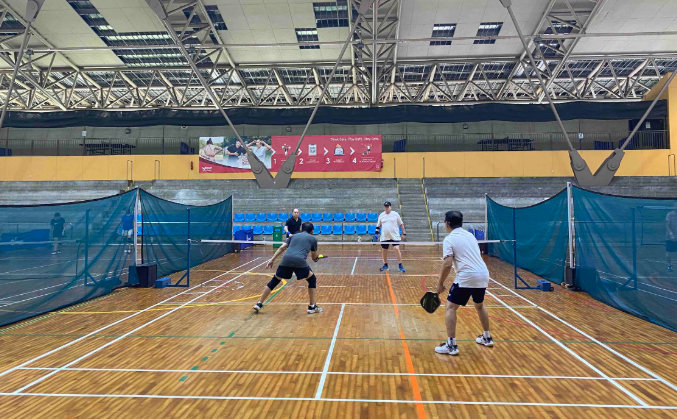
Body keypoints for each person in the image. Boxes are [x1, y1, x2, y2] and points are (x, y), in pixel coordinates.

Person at [435, 211, 493, 356]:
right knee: (479, 305)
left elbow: (447, 264)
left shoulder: (449, 239)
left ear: (447, 223)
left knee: (450, 307)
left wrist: (440, 284)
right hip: (483, 274)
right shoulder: (470, 235)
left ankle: (451, 345)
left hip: (467, 275)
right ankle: (487, 337)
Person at [253, 222, 322, 314]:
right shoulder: (313, 239)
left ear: (301, 229)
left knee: (275, 280)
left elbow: (282, 247)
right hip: (299, 261)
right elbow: (314, 258)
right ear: (312, 231)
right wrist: (316, 259)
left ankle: (259, 303)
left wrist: (272, 260)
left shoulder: (293, 236)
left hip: (286, 259)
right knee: (312, 279)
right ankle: (312, 306)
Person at [375, 201, 406, 272]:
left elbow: (401, 224)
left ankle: (400, 264)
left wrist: (404, 233)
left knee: (396, 248)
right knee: (384, 250)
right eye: (385, 206)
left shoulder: (395, 214)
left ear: (390, 207)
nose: (386, 208)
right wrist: (376, 233)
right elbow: (378, 226)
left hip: (394, 236)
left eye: (388, 206)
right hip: (385, 237)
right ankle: (385, 265)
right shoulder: (381, 215)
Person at [666, 205, 677, 272]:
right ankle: (669, 265)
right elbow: (666, 224)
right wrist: (670, 233)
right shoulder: (669, 214)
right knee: (669, 252)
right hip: (670, 237)